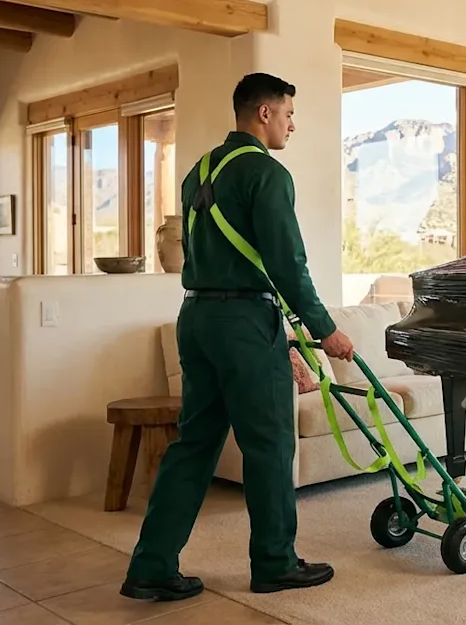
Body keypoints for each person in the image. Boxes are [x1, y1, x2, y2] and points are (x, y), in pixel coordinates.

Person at [121, 73, 356, 601]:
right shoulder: (266, 174)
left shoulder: (197, 172)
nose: (293, 124)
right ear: (265, 113)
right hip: (246, 326)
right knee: (270, 444)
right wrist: (326, 330)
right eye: (289, 113)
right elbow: (287, 263)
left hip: (196, 320)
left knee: (195, 445)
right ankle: (275, 562)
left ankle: (152, 565)